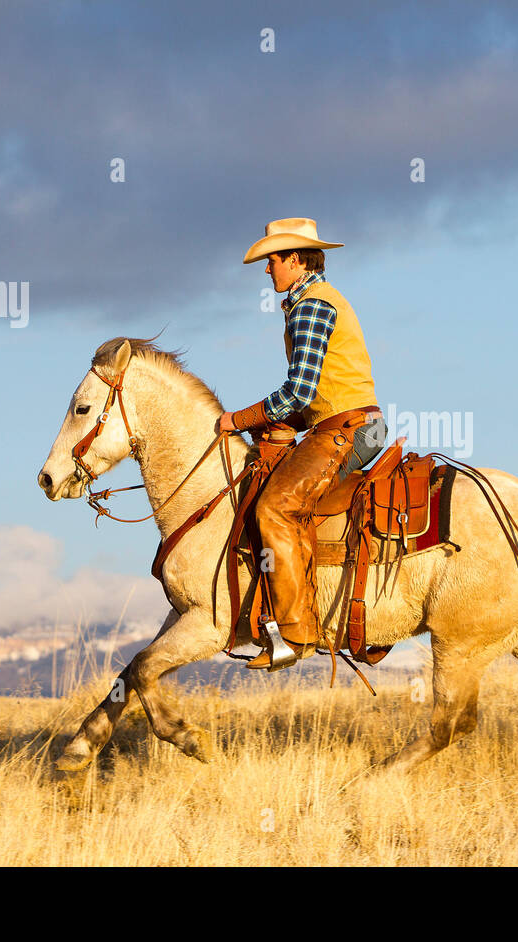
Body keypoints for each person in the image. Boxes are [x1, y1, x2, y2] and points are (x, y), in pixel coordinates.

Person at [218, 218, 388, 670]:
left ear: (295, 259)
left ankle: (294, 633)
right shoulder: (306, 302)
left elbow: (298, 392)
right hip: (336, 424)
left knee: (273, 507)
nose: (266, 270)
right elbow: (305, 399)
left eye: (272, 260)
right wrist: (275, 426)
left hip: (344, 429)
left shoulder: (313, 304)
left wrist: (238, 420)